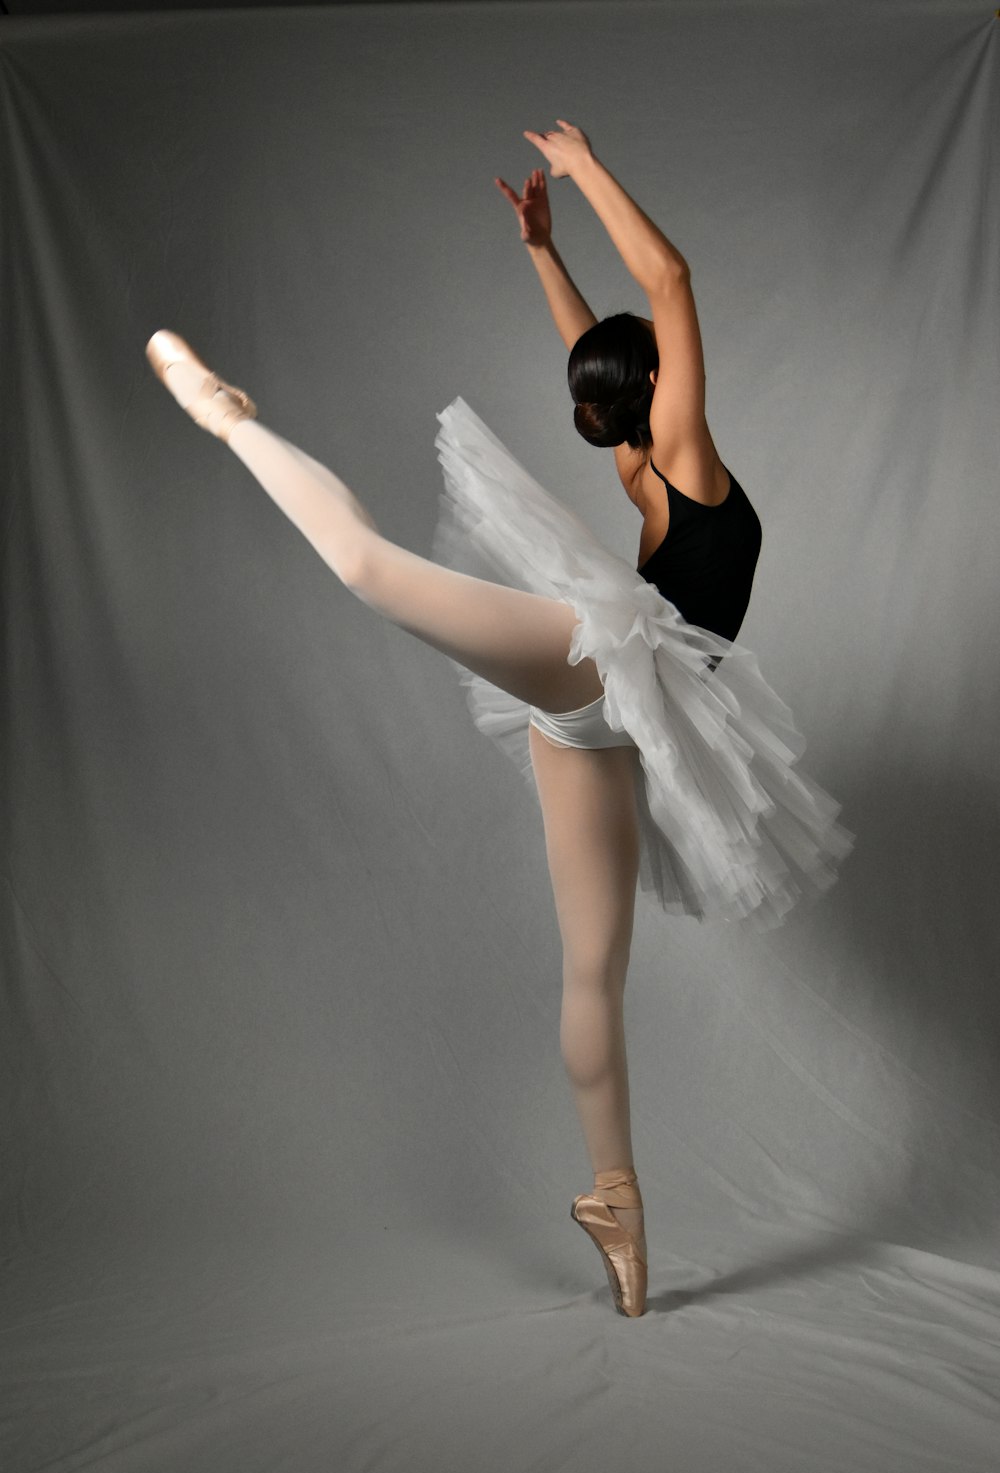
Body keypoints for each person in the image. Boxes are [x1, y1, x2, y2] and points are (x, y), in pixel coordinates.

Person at [146, 122, 852, 1319]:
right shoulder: (680, 456)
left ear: (611, 402)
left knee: (595, 972)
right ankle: (231, 419)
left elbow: (622, 330)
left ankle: (616, 1204)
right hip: (615, 687)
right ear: (658, 389)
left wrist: (545, 240)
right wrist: (572, 196)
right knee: (368, 572)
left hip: (610, 717)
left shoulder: (645, 457)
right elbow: (662, 289)